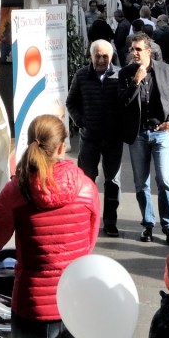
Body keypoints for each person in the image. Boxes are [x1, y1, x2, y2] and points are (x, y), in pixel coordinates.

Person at [0, 114, 99, 338]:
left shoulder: (16, 190)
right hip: (78, 305)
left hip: (32, 306)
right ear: (62, 147)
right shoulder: (86, 187)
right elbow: (88, 245)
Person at [120, 32, 169, 246]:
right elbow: (122, 103)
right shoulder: (126, 73)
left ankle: (168, 225)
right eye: (131, 49)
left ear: (148, 51)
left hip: (161, 132)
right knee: (141, 183)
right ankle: (148, 223)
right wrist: (135, 82)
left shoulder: (165, 70)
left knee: (164, 180)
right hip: (138, 134)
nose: (134, 53)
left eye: (138, 49)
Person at [66, 39, 123, 237]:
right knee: (86, 180)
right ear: (90, 56)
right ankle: (85, 219)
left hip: (113, 138)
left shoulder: (120, 75)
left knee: (113, 181)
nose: (101, 60)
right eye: (97, 56)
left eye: (105, 56)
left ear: (111, 56)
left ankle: (109, 221)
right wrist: (82, 121)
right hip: (89, 138)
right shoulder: (82, 75)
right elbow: (71, 102)